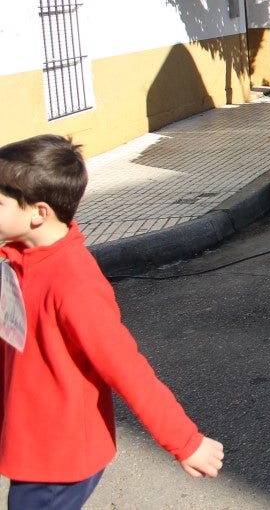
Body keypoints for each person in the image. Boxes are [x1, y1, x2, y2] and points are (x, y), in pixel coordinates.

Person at [0, 135, 224, 508]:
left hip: (58, 457)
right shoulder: (20, 259)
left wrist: (185, 441)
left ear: (39, 213)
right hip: (28, 436)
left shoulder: (73, 285)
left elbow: (127, 370)